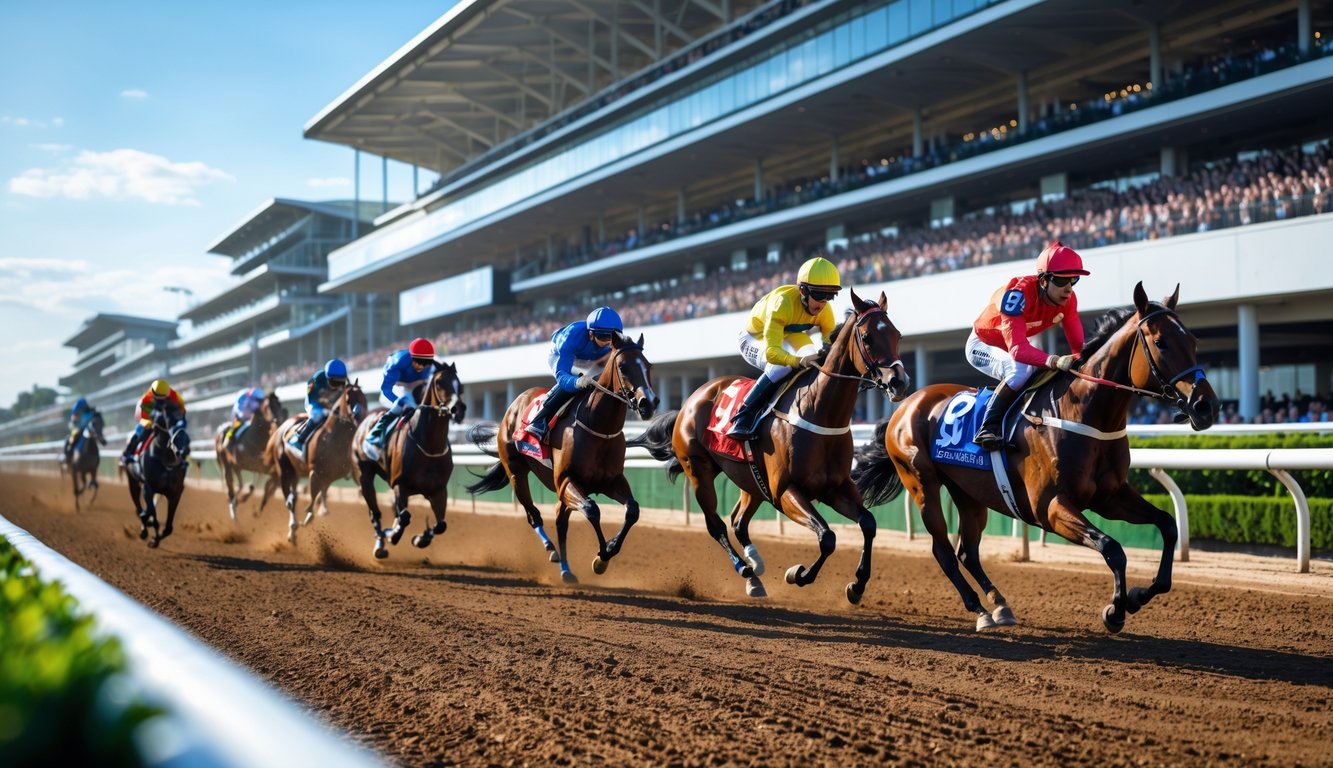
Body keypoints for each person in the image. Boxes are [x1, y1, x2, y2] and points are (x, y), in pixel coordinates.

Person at [966, 240, 1089, 450]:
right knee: (1020, 371)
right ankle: (988, 426)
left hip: (1014, 343)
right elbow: (1017, 350)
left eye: (1074, 280)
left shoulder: (1069, 300)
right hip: (983, 343)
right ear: (1043, 281)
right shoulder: (1017, 294)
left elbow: (1078, 347)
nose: (1068, 288)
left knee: (1040, 373)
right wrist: (1054, 360)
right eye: (1061, 281)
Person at [725, 256, 840, 439]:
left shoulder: (825, 311)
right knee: (782, 366)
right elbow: (772, 353)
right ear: (803, 290)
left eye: (830, 295)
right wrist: (797, 361)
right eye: (819, 295)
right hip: (755, 337)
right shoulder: (782, 304)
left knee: (816, 363)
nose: (823, 303)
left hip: (791, 334)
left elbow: (831, 349)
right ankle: (743, 416)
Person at [525, 306, 623, 443]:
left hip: (594, 360)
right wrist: (576, 382)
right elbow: (562, 375)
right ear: (591, 334)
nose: (608, 341)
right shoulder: (571, 337)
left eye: (611, 337)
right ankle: (539, 420)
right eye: (602, 336)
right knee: (571, 386)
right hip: (566, 357)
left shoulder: (616, 340)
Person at [362, 339, 437, 460]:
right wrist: (401, 399)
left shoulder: (429, 364)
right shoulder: (397, 362)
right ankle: (373, 439)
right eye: (419, 362)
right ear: (412, 357)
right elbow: (386, 389)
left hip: (412, 387)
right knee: (402, 403)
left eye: (425, 363)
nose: (422, 366)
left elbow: (422, 384)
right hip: (394, 388)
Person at [120, 378, 187, 465]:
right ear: (153, 393)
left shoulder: (173, 395)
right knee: (140, 430)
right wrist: (149, 419)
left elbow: (182, 410)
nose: (161, 399)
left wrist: (180, 420)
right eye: (159, 398)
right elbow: (140, 416)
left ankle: (183, 455)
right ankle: (127, 454)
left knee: (179, 430)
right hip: (147, 416)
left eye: (163, 397)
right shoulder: (146, 399)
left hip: (165, 417)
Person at [287, 360, 348, 451]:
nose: (338, 387)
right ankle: (300, 440)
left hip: (332, 406)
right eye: (334, 383)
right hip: (314, 403)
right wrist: (324, 407)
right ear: (327, 377)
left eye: (341, 383)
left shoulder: (344, 382)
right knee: (319, 414)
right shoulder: (317, 378)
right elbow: (311, 397)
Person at [63, 397, 97, 464]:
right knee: (68, 440)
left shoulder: (90, 412)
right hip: (77, 431)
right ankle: (67, 458)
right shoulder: (75, 413)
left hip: (88, 431)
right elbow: (73, 424)